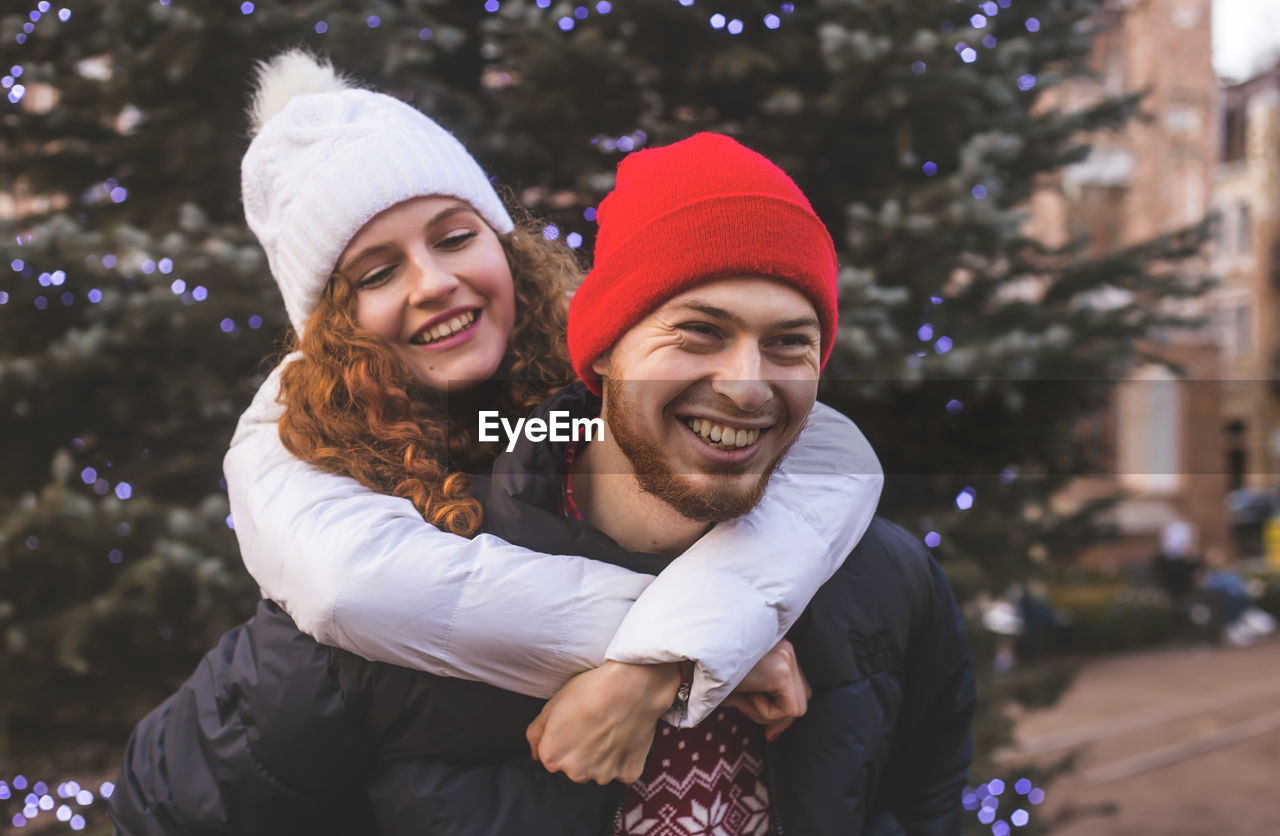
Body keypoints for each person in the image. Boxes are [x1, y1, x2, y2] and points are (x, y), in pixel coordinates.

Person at [111, 129, 974, 836]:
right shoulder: (371, 585)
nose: (745, 384)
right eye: (698, 332)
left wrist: (697, 640)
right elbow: (176, 806)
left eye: (789, 344)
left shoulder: (882, 578)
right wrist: (691, 652)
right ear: (601, 354)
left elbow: (917, 804)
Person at [224, 50, 883, 740]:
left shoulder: (604, 333)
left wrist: (676, 655)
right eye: (378, 272)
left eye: (455, 237)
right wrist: (691, 650)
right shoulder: (290, 435)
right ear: (331, 323)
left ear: (501, 242)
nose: (433, 282)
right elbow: (348, 588)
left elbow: (831, 452)